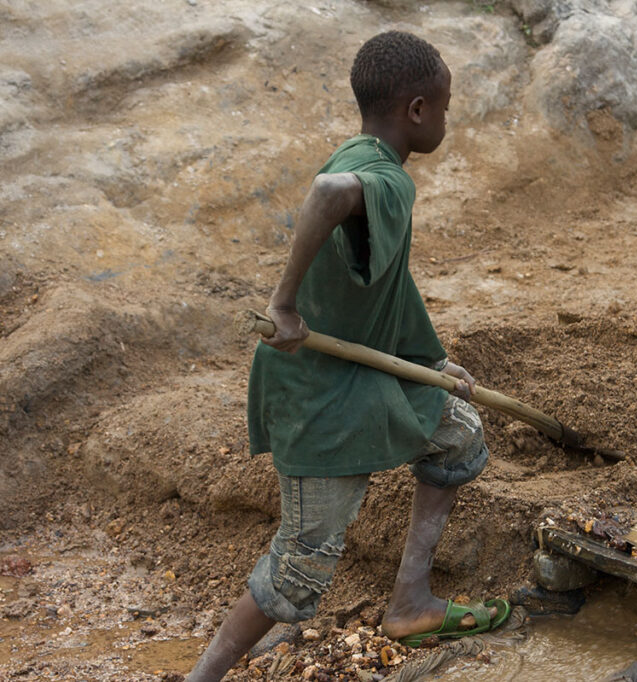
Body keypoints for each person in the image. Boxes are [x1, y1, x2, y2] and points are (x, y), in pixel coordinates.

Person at [186, 31, 509, 682]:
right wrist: (282, 304)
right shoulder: (383, 179)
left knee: (458, 437)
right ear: (418, 111)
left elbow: (386, 285)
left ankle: (411, 602)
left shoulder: (369, 157)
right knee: (303, 566)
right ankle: (205, 674)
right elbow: (327, 192)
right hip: (325, 397)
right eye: (444, 107)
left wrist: (433, 361)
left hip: (364, 373)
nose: (447, 119)